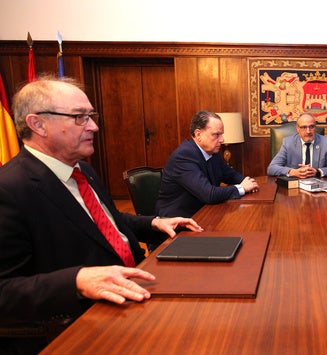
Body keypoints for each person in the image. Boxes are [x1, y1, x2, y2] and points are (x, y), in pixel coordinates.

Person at [0, 75, 202, 353]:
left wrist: (154, 222)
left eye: (91, 116)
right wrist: (77, 281)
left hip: (137, 286)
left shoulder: (83, 170)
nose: (94, 126)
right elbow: (4, 291)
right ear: (38, 124)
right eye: (80, 117)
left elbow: (106, 222)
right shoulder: (9, 189)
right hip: (85, 322)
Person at [156, 110, 259, 218]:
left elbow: (230, 174)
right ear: (198, 134)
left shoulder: (212, 153)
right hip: (178, 222)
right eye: (216, 135)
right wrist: (242, 188)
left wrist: (248, 182)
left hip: (204, 213)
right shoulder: (184, 156)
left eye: (221, 134)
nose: (222, 139)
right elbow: (209, 194)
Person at [267, 112, 327, 178]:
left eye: (311, 127)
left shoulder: (325, 142)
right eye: (304, 127)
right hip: (294, 185)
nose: (308, 131)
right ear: (297, 128)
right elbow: (272, 168)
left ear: (315, 127)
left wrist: (317, 172)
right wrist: (293, 172)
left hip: (317, 186)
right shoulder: (288, 142)